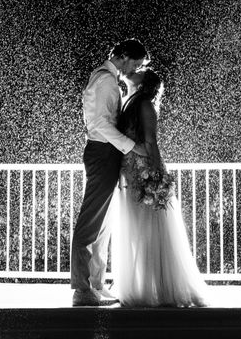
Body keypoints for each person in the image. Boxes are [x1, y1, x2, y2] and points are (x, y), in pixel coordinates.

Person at [111, 67, 209, 307]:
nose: (134, 71)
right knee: (135, 229)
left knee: (148, 230)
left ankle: (157, 289)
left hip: (143, 173)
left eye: (140, 71)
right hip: (130, 172)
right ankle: (139, 286)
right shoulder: (128, 101)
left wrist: (157, 176)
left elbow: (151, 143)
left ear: (144, 82)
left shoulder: (144, 105)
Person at [71, 38, 150, 307]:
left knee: (103, 224)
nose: (135, 69)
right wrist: (132, 146)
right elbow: (98, 123)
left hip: (107, 153)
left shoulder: (106, 77)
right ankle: (81, 290)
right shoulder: (104, 79)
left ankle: (95, 284)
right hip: (102, 152)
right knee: (91, 222)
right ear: (124, 56)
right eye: (136, 63)